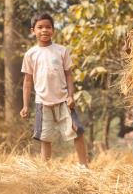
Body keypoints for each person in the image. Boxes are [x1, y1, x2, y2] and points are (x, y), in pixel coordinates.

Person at [20, 13, 89, 166]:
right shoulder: (30, 54)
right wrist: (25, 105)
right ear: (33, 31)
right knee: (45, 138)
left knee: (77, 131)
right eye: (40, 27)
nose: (44, 30)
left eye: (48, 27)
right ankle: (46, 169)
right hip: (42, 103)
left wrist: (71, 96)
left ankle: (84, 166)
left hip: (64, 101)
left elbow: (69, 75)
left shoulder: (61, 51)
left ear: (53, 30)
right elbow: (27, 82)